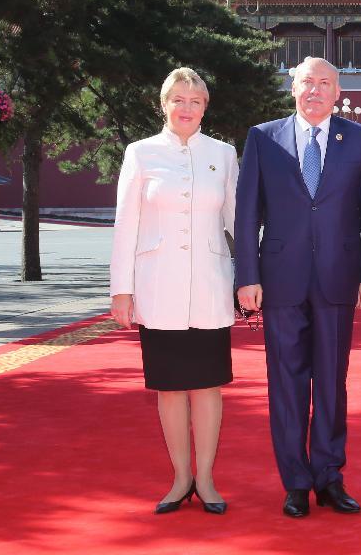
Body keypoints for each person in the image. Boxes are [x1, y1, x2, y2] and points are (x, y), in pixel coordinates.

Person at [234, 57, 361, 519]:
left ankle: (329, 477)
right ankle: (295, 481)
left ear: (337, 92)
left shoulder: (358, 140)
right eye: (307, 83)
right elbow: (246, 212)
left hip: (339, 278)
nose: (315, 91)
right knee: (286, 384)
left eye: (325, 83)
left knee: (332, 385)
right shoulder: (263, 137)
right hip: (280, 278)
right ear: (292, 88)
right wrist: (247, 276)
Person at [109, 67, 238, 515]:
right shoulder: (141, 153)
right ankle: (180, 476)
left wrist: (254, 276)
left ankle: (205, 477)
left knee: (207, 386)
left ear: (206, 107)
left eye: (196, 100)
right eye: (178, 99)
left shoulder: (222, 154)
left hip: (209, 283)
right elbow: (127, 223)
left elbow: (237, 221)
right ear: (163, 105)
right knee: (169, 387)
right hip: (157, 285)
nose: (187, 108)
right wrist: (121, 289)